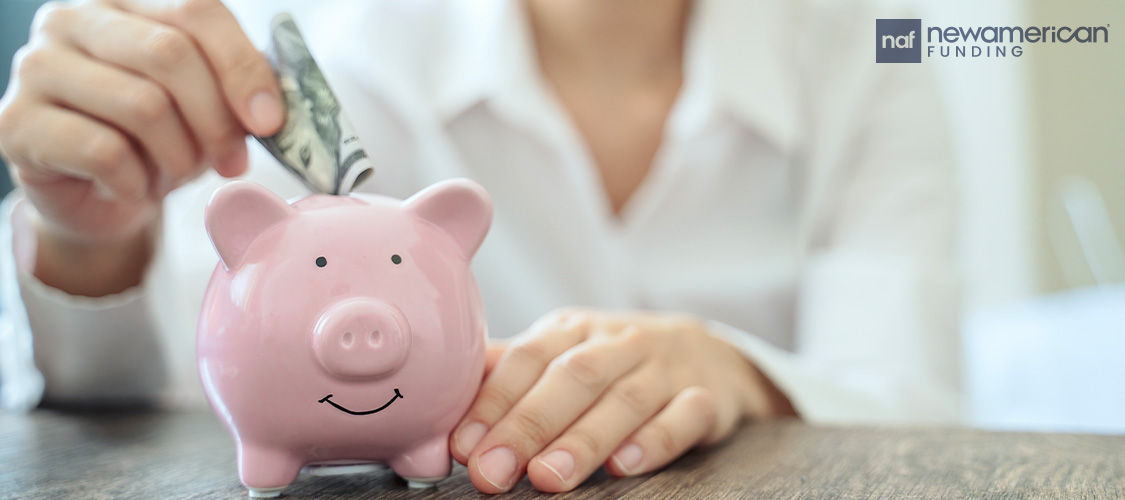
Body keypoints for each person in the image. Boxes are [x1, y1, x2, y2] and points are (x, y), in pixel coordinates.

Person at [0, 0, 960, 494]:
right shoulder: (341, 46)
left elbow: (917, 413)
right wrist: (89, 240)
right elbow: (165, 373)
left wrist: (745, 376)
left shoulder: (876, 49)